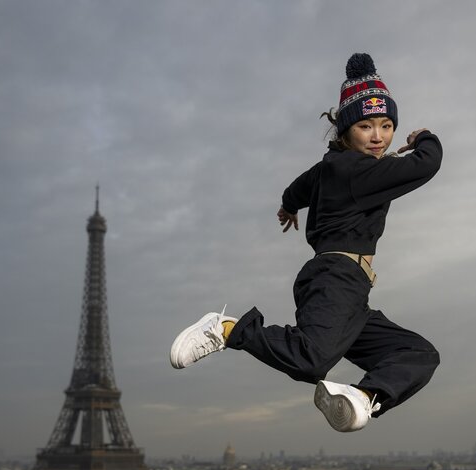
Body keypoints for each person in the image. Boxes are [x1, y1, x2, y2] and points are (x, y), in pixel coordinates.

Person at [170, 52, 443, 433]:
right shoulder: (360, 170)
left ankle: (363, 399)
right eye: (366, 126)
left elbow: (296, 187)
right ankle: (227, 329)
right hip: (335, 279)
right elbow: (427, 163)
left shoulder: (328, 167)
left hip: (350, 292)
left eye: (386, 125)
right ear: (346, 131)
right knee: (310, 361)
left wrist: (288, 207)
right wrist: (424, 138)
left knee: (418, 354)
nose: (379, 136)